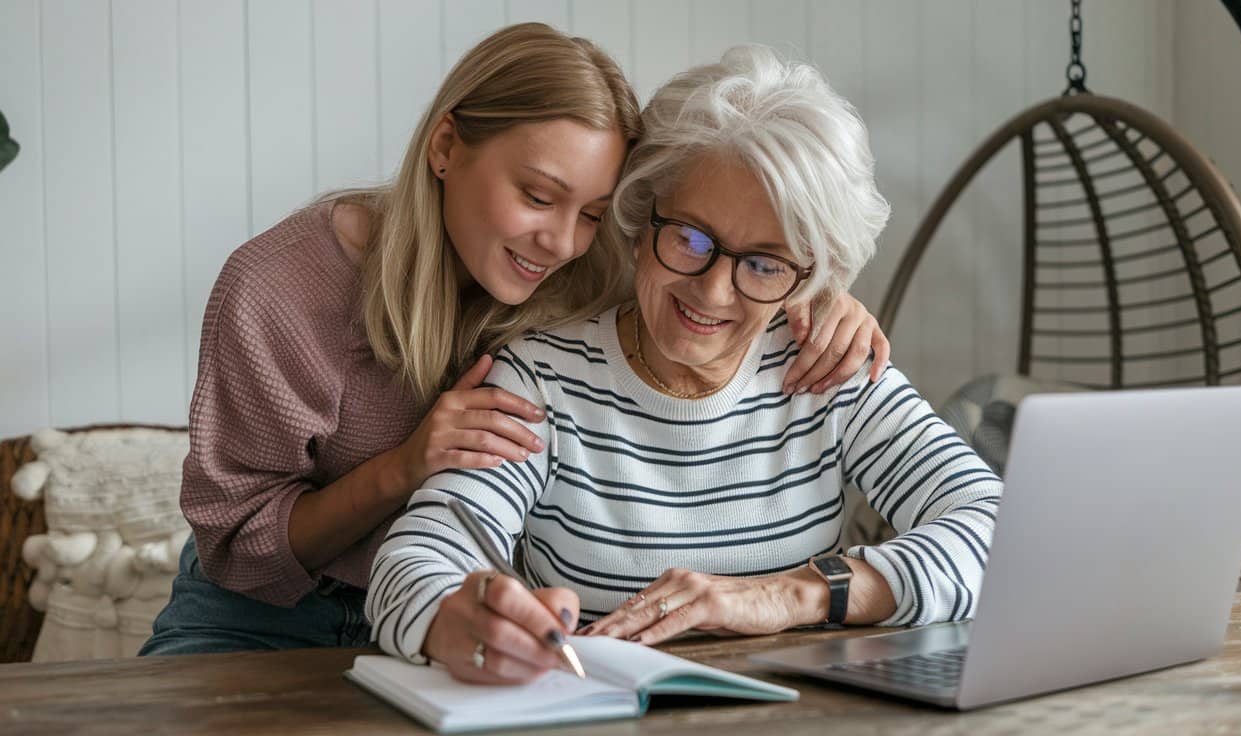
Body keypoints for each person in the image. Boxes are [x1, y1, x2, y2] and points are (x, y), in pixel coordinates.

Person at [140, 24, 890, 656]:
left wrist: (825, 292)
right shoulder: (280, 287)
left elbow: (712, 260)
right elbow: (237, 547)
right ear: (444, 145)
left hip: (458, 614)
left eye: (594, 212)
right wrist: (405, 465)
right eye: (537, 195)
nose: (562, 241)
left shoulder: (594, 263)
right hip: (261, 618)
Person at [366, 45, 1004, 685]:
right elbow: (415, 562)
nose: (713, 292)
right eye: (691, 239)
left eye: (764, 263)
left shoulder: (829, 368)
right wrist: (461, 621)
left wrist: (796, 594)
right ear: (642, 220)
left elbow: (1001, 532)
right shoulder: (544, 378)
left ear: (808, 276)